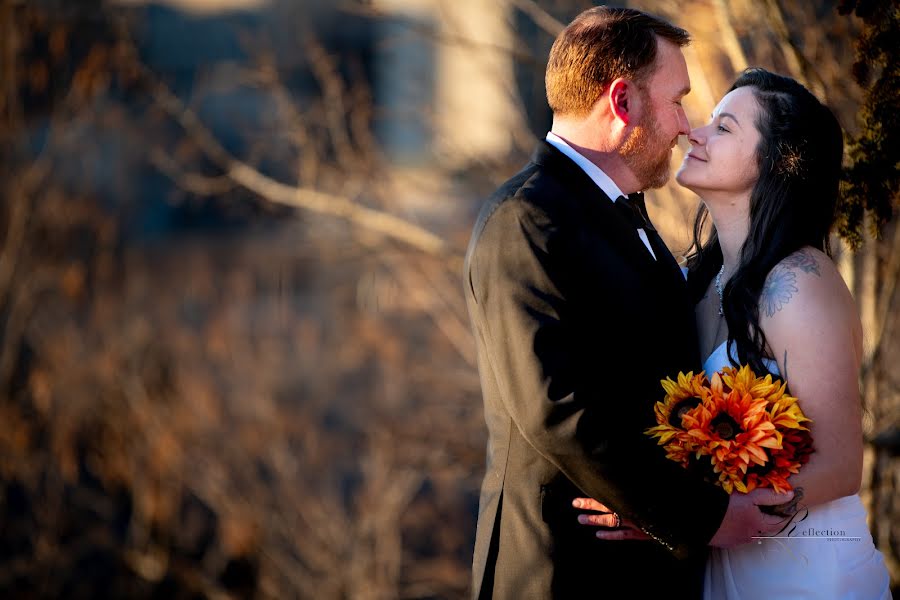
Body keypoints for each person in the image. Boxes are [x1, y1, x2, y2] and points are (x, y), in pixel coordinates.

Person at [462, 8, 792, 599]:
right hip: (561, 572)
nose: (687, 125)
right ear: (623, 103)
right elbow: (556, 410)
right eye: (678, 100)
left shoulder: (617, 211)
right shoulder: (528, 219)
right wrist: (704, 516)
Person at [576, 68, 892, 598]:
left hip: (809, 574)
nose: (695, 133)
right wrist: (655, 506)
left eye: (724, 128)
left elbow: (840, 465)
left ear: (774, 162)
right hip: (727, 570)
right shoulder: (700, 284)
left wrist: (688, 513)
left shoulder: (799, 282)